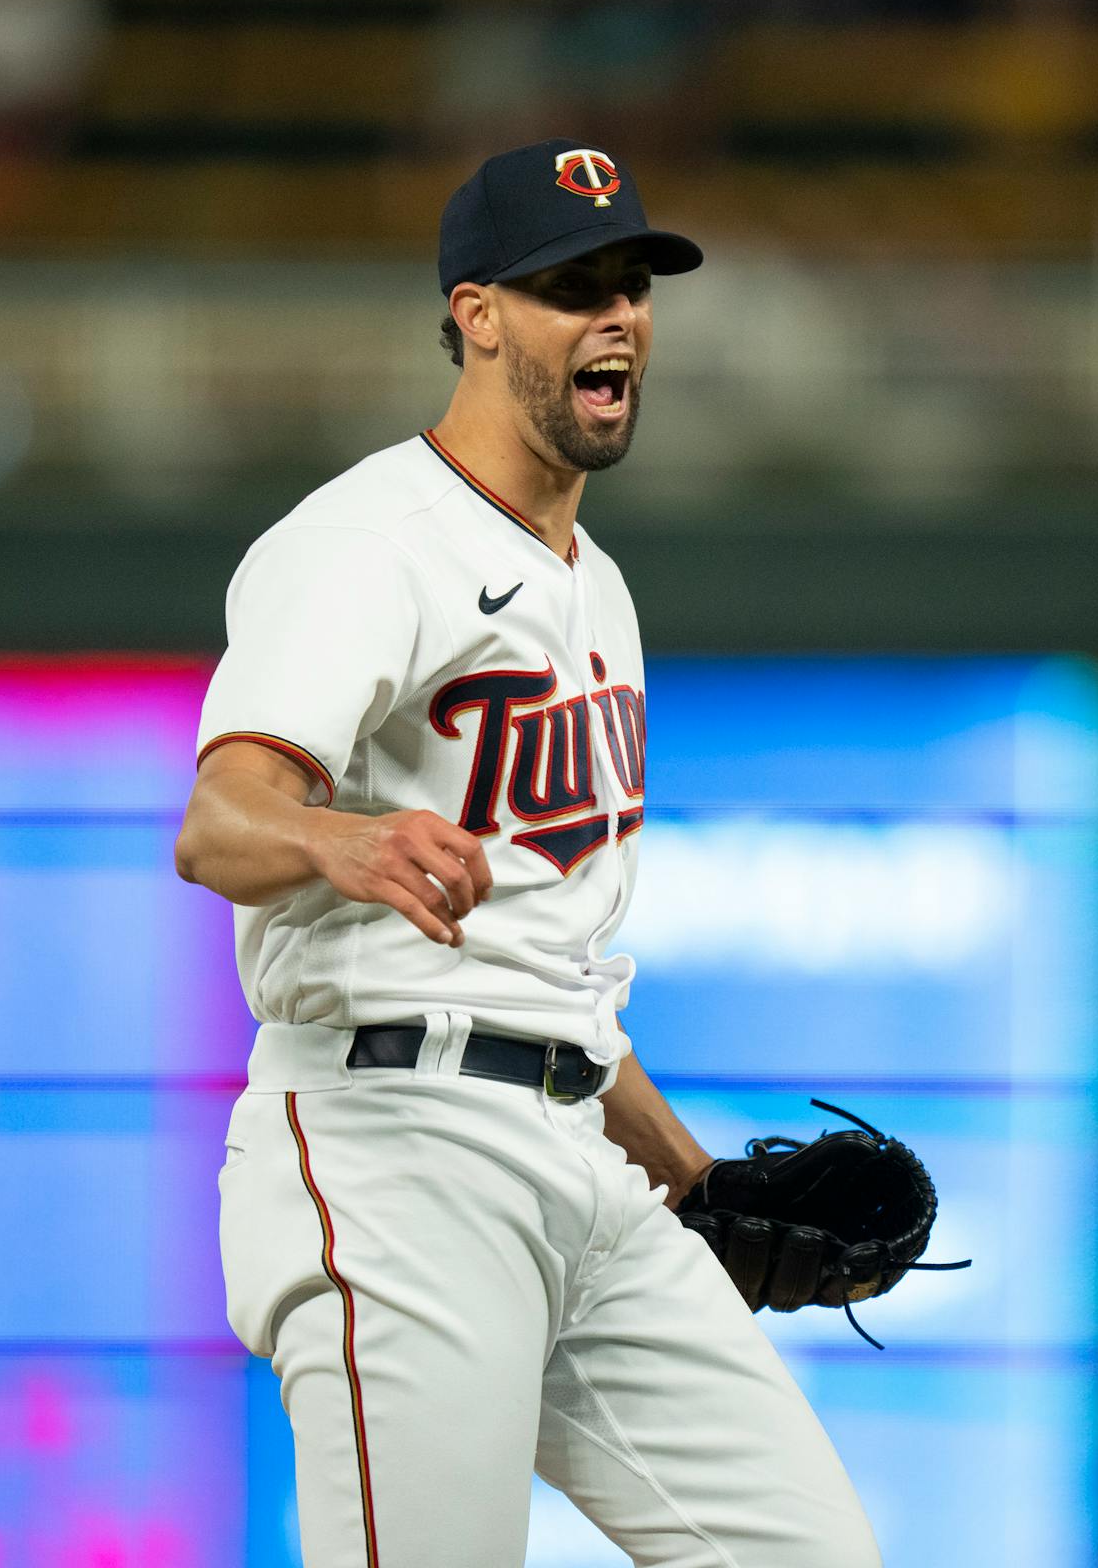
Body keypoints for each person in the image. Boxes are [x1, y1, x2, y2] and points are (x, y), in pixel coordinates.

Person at [173, 139, 881, 1568]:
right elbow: (220, 821)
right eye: (574, 287)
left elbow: (550, 975)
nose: (617, 314)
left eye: (631, 284)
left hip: (577, 1160)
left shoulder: (597, 587)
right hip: (396, 1143)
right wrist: (339, 838)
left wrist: (697, 1180)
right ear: (478, 313)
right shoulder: (372, 539)